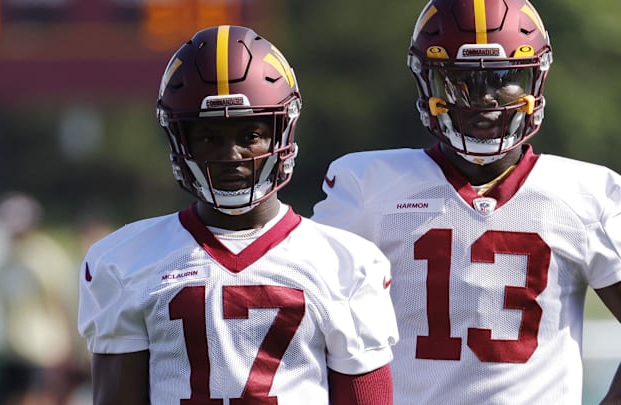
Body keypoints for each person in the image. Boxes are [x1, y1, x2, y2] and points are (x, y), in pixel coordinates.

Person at [312, 1, 621, 404]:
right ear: (428, 82)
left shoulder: (587, 194)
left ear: (534, 80)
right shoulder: (368, 186)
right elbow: (304, 326)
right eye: (461, 80)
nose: (484, 98)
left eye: (503, 77)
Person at [78, 25, 398, 404]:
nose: (231, 155)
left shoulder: (346, 263)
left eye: (249, 136)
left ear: (282, 134)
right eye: (210, 137)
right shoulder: (125, 261)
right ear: (182, 141)